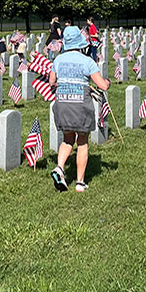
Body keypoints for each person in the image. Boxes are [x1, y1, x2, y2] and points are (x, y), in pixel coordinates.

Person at [49, 26, 110, 193]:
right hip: (80, 103)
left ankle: (60, 168)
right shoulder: (87, 61)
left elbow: (51, 82)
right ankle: (80, 182)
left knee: (67, 138)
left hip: (62, 102)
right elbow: (102, 85)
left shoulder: (58, 60)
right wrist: (107, 83)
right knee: (82, 141)